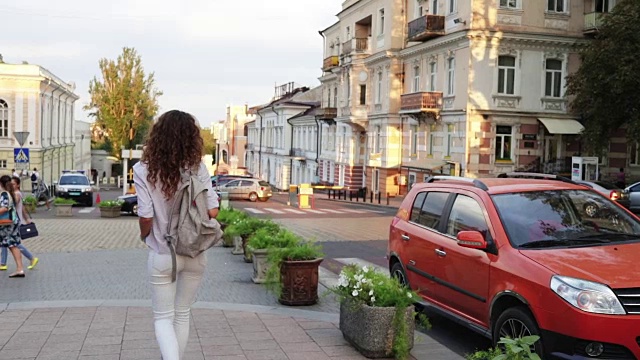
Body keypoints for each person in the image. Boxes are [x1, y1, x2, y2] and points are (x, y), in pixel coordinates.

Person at [134, 110, 219, 360]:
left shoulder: (143, 170)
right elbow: (212, 210)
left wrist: (144, 235)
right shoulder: (198, 168)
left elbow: (146, 216)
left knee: (163, 318)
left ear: (158, 136)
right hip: (194, 250)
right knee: (182, 312)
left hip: (163, 252)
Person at [0, 176, 39, 271]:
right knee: (7, 243)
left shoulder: (15, 194)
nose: (12, 185)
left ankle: (30, 258)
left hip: (11, 221)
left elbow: (8, 207)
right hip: (13, 220)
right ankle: (3, 263)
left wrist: (25, 219)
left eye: (13, 184)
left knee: (14, 244)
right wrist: (26, 219)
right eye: (11, 183)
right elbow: (22, 208)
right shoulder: (11, 194)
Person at [0, 175, 26, 278]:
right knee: (13, 245)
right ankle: (20, 269)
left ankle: (19, 269)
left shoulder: (4, 194)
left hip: (7, 224)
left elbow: (4, 208)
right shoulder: (10, 193)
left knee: (12, 245)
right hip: (13, 222)